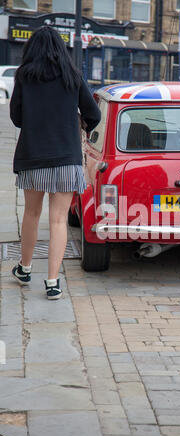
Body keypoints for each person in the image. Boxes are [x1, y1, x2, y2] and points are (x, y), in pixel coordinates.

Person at [10, 26, 101, 300]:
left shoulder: (25, 77)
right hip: (65, 158)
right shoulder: (72, 77)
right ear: (62, 50)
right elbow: (94, 113)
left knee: (31, 214)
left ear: (32, 49)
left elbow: (16, 117)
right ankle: (52, 282)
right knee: (59, 220)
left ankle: (25, 269)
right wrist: (79, 124)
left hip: (33, 156)